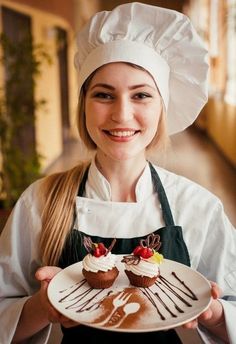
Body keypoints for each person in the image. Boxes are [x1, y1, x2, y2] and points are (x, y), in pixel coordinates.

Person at [0, 2, 235, 343]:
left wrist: (214, 314)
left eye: (141, 95)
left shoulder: (198, 207)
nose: (122, 115)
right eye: (103, 95)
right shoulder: (40, 202)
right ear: (83, 105)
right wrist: (43, 306)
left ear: (162, 107)